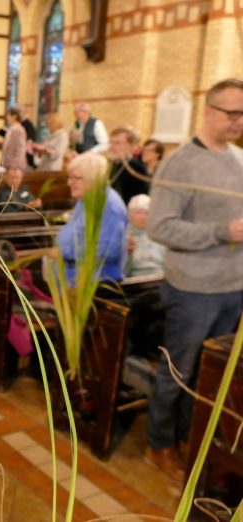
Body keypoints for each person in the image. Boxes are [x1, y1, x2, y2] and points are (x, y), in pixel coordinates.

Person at [146, 78, 243, 481]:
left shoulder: (239, 159)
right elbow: (159, 226)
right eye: (231, 112)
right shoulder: (180, 163)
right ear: (208, 110)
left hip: (233, 287)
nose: (238, 120)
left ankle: (190, 438)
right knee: (179, 371)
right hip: (192, 290)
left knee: (210, 375)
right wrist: (220, 232)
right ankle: (159, 443)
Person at [56, 152, 128, 285]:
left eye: (76, 178)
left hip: (96, 284)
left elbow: (107, 251)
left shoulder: (109, 205)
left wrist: (65, 252)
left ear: (93, 179)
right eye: (69, 177)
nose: (69, 183)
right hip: (75, 279)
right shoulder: (85, 200)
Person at [107, 126, 149, 205]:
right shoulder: (112, 165)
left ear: (132, 146)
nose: (111, 147)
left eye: (117, 143)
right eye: (111, 142)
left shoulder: (136, 168)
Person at [125, 194, 165, 277]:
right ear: (129, 215)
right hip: (132, 280)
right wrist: (128, 253)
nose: (142, 217)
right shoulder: (123, 235)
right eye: (138, 212)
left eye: (147, 213)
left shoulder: (160, 234)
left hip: (160, 277)